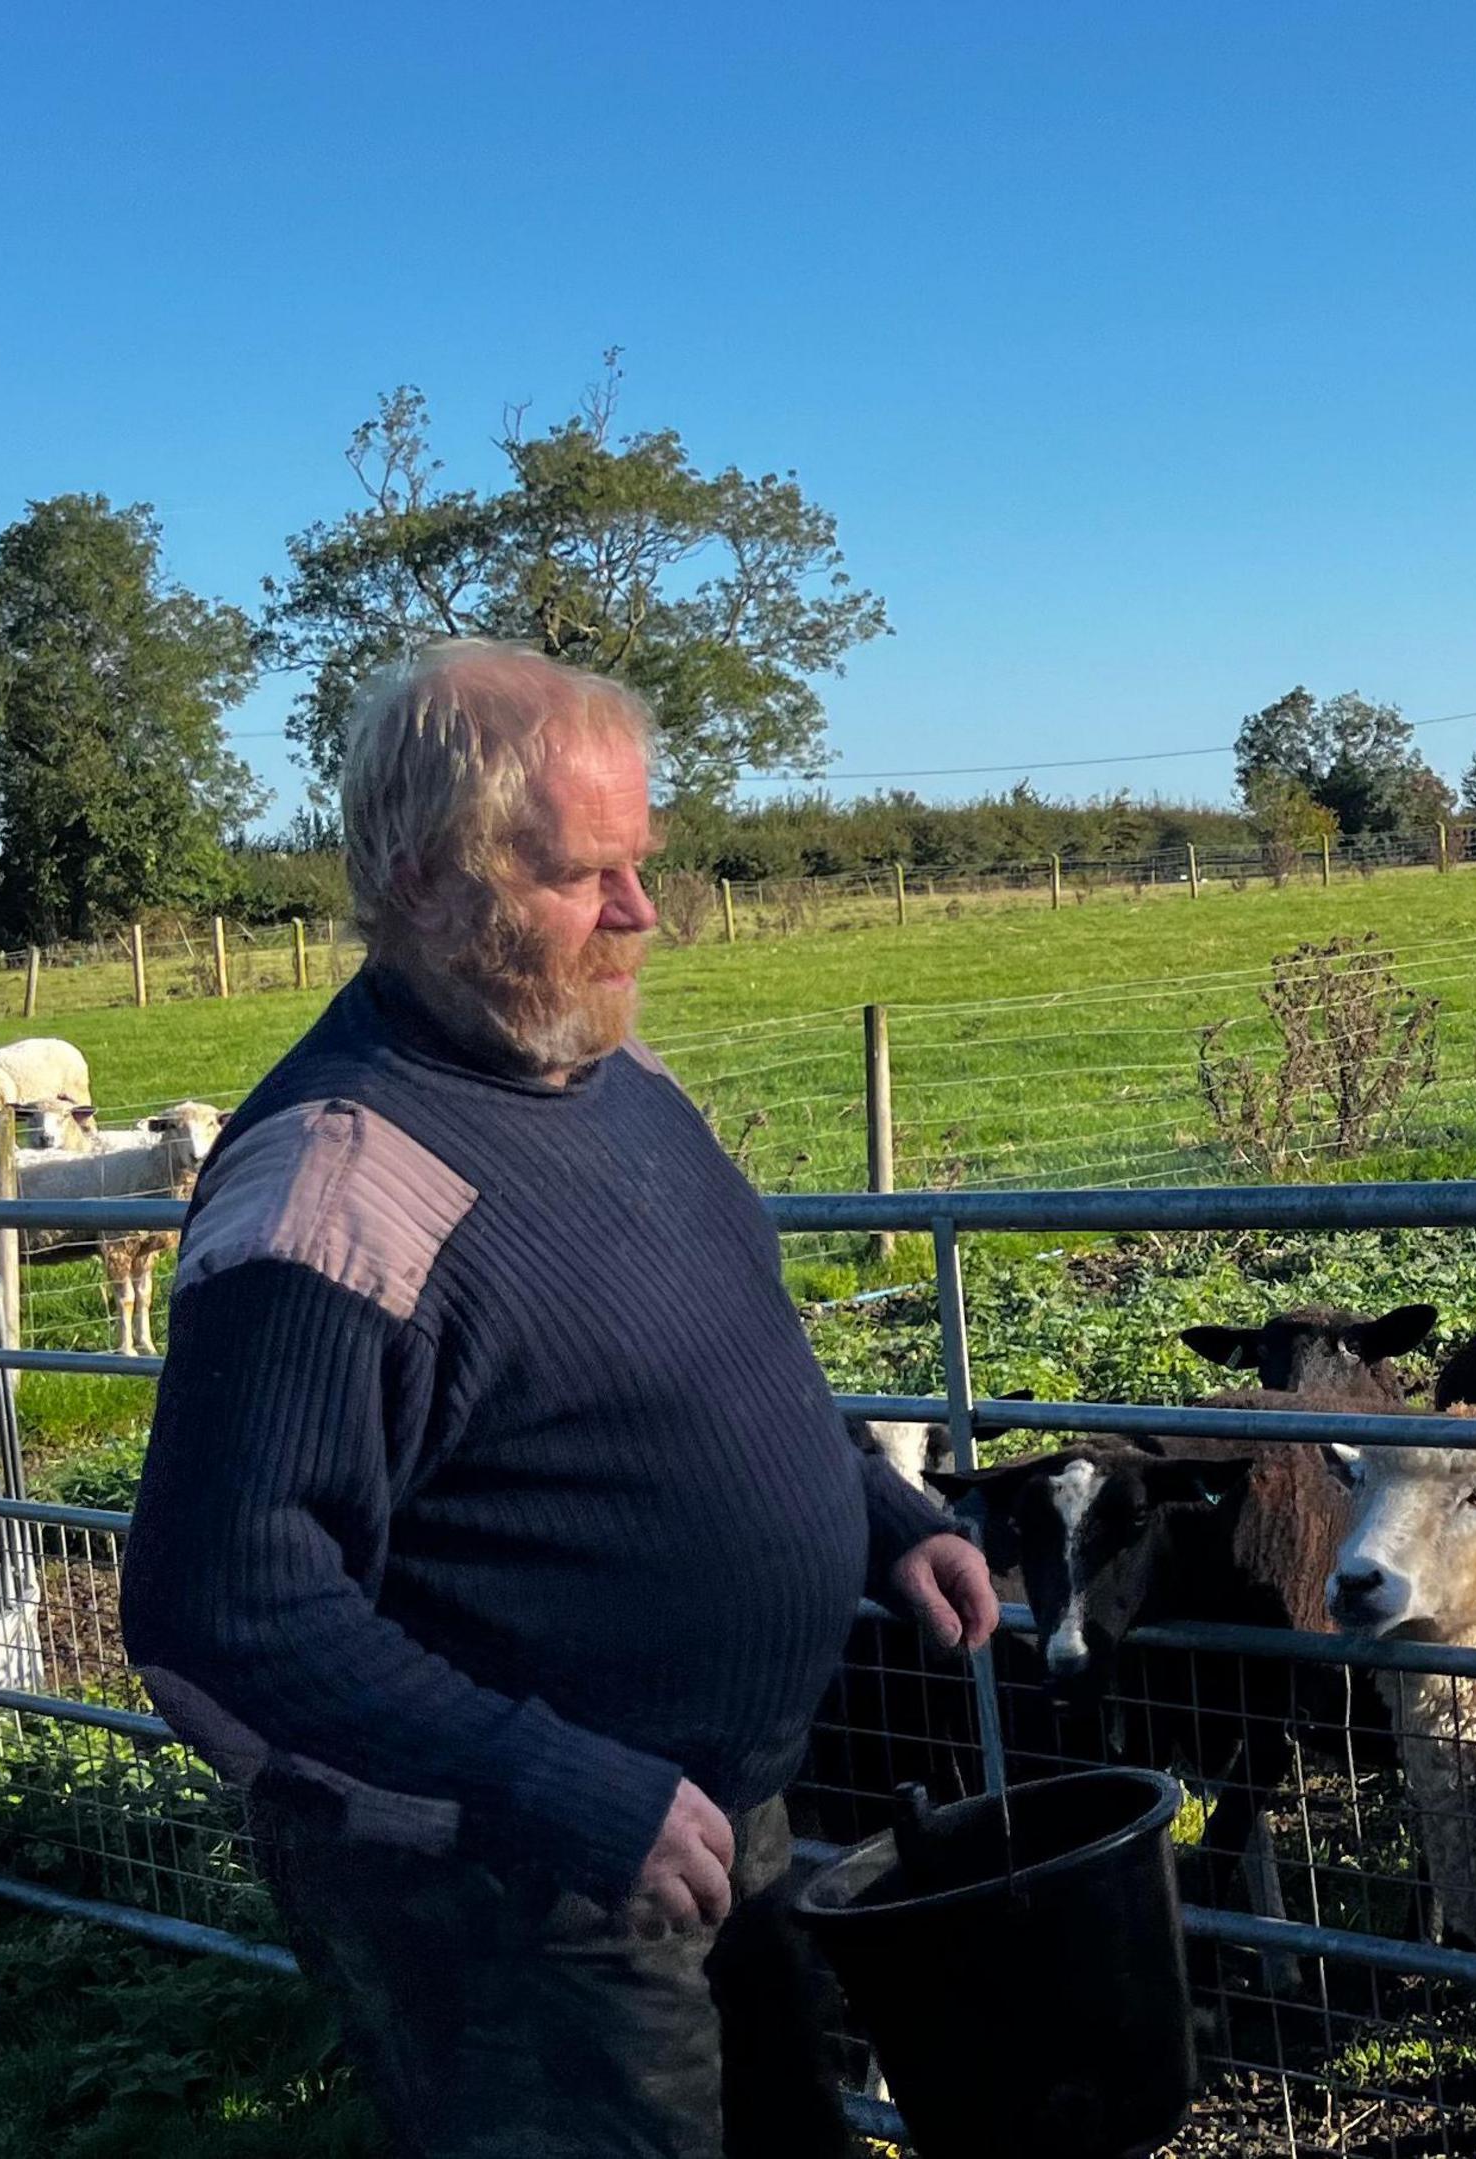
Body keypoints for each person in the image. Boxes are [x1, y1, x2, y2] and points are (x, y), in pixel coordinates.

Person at [123, 642, 994, 2158]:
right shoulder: (336, 1188)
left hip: (710, 1822)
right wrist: (551, 1785)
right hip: (519, 1893)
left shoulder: (612, 1070)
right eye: (584, 875)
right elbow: (224, 1597)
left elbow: (709, 1357)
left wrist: (870, 1510)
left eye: (641, 863)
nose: (642, 912)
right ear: (422, 880)